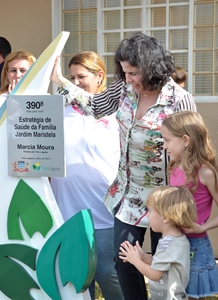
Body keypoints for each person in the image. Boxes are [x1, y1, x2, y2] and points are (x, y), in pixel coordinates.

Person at [51, 32, 197, 300]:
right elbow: (94, 106)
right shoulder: (123, 88)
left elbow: (193, 151)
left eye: (133, 73)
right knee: (124, 262)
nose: (127, 79)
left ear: (151, 68)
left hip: (167, 200)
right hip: (128, 196)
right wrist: (59, 81)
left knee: (166, 267)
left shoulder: (179, 99)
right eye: (125, 72)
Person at [50, 51, 123, 300]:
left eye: (81, 76)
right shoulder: (60, 111)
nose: (75, 82)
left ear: (99, 75)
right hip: (67, 210)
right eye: (71, 77)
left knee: (107, 272)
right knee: (78, 278)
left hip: (103, 210)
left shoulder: (115, 112)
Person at [161, 110, 218, 299]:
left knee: (191, 293)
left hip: (195, 245)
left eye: (168, 140)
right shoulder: (174, 167)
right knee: (174, 292)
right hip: (174, 241)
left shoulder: (206, 173)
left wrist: (202, 227)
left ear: (185, 140)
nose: (164, 145)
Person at [119, 186, 197, 300]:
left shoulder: (170, 245)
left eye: (150, 211)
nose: (147, 215)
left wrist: (135, 260)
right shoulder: (174, 240)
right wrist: (143, 256)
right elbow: (161, 265)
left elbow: (155, 274)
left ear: (165, 217)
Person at [0, 50, 36, 115]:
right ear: (7, 73)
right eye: (13, 70)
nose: (18, 75)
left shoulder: (43, 97)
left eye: (23, 70)